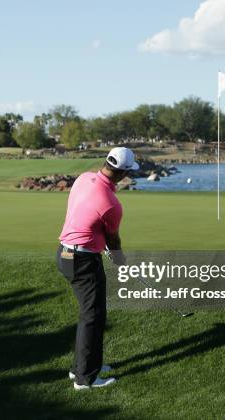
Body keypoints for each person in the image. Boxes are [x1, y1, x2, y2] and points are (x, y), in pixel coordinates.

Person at [56, 147, 139, 390]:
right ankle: (84, 379)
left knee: (90, 315)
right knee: (92, 317)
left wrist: (95, 240)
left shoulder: (83, 178)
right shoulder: (112, 204)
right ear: (123, 172)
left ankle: (84, 366)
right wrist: (119, 258)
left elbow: (84, 214)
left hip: (64, 252)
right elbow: (113, 239)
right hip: (82, 260)